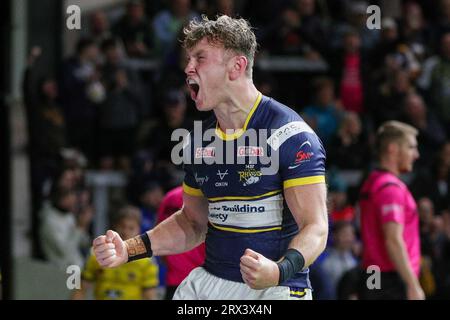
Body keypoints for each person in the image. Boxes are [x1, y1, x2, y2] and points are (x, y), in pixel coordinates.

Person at [93, 15, 328, 300]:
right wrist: (128, 249)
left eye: (200, 58)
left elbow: (315, 228)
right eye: (188, 59)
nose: (188, 68)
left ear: (236, 66)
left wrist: (279, 271)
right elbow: (192, 223)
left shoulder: (290, 135)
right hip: (210, 286)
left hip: (276, 288)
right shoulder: (198, 142)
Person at [358, 121, 425, 300]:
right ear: (393, 149)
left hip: (373, 273)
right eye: (411, 147)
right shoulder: (390, 188)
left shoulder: (372, 181)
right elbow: (393, 240)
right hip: (391, 280)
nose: (416, 154)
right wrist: (413, 285)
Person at [72, 206, 159, 300]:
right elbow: (80, 289)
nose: (125, 232)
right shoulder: (97, 253)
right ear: (115, 227)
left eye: (131, 228)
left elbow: (150, 296)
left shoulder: (146, 261)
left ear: (138, 230)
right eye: (122, 226)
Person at [156, 186, 206, 300]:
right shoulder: (212, 197)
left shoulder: (170, 196)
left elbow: (160, 233)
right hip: (203, 279)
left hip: (176, 278)